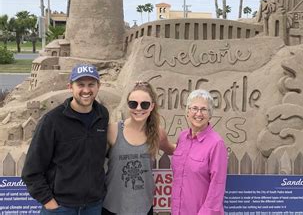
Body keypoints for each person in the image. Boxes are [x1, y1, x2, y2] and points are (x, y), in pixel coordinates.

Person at [22, 64, 109, 215]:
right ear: (70, 87)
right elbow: (31, 170)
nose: (86, 90)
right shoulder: (52, 121)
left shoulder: (102, 115)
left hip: (93, 206)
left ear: (98, 86)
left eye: (91, 84)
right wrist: (49, 202)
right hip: (61, 207)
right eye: (80, 84)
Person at [102, 81, 175, 215]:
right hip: (113, 208)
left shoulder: (158, 133)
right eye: (133, 103)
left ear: (152, 106)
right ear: (128, 104)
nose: (139, 108)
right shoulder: (113, 130)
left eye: (145, 104)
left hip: (144, 208)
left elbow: (173, 149)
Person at [171, 89, 228, 215]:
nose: (198, 113)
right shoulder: (182, 137)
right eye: (194, 108)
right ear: (187, 112)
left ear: (210, 114)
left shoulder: (216, 143)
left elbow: (217, 185)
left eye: (203, 109)